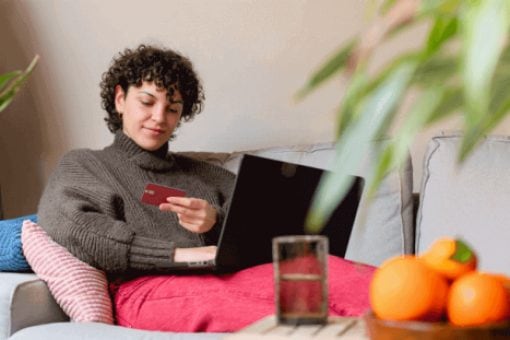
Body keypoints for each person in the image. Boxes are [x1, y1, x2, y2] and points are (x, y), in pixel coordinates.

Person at [37, 44, 236, 279]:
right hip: (149, 287)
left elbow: (268, 219)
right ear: (120, 99)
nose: (159, 117)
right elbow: (72, 226)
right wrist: (176, 255)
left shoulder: (206, 173)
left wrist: (217, 222)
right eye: (147, 102)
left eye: (172, 109)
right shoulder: (84, 165)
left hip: (232, 278)